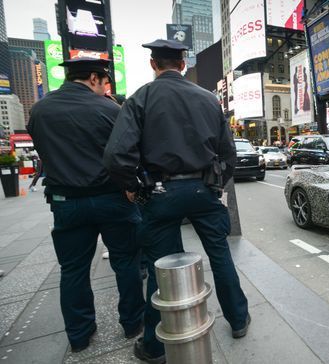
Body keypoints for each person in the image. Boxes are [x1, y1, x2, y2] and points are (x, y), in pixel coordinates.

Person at [103, 40, 249, 364]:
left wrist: (135, 187)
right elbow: (228, 154)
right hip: (204, 192)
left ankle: (155, 348)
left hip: (160, 192)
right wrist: (214, 184)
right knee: (220, 254)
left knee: (161, 267)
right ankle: (238, 320)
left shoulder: (140, 98)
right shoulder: (209, 99)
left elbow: (115, 155)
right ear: (183, 65)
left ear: (154, 64)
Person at [27, 58, 145, 352]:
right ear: (94, 77)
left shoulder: (40, 110)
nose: (105, 87)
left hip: (66, 200)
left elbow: (43, 150)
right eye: (104, 81)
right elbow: (126, 153)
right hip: (112, 198)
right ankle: (133, 323)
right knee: (126, 262)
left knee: (73, 270)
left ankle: (79, 335)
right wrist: (131, 185)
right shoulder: (108, 109)